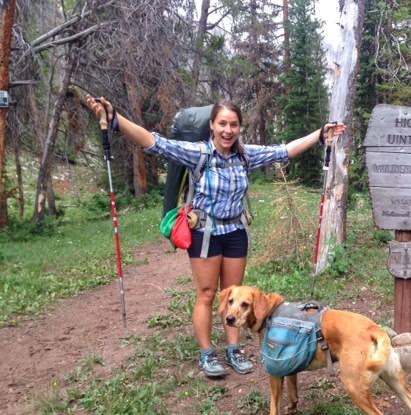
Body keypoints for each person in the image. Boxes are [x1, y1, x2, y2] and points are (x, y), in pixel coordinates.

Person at [86, 96, 345, 377]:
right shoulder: (198, 153)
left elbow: (284, 151)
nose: (227, 130)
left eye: (233, 125)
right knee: (208, 294)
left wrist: (319, 135)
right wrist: (115, 119)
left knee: (234, 295)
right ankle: (207, 353)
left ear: (239, 128)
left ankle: (234, 350)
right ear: (212, 126)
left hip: (235, 232)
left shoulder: (246, 155)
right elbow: (154, 142)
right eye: (222, 123)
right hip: (205, 233)